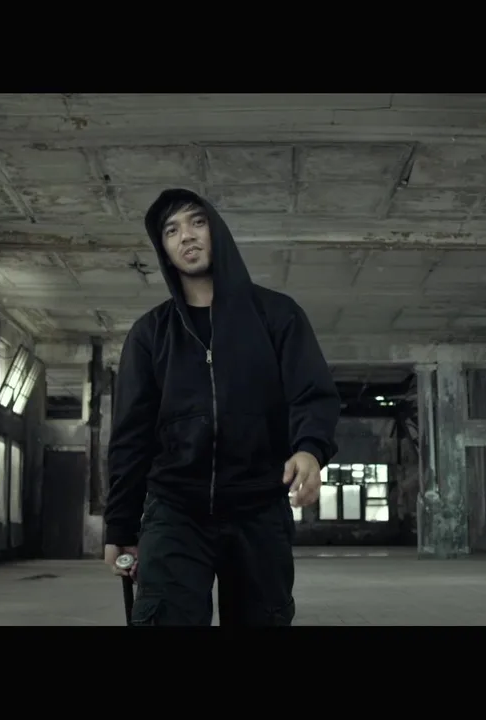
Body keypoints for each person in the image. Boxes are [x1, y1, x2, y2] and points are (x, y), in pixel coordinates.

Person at [103, 188, 340, 626]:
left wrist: (310, 449)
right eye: (171, 230)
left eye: (197, 222)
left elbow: (312, 393)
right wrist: (120, 526)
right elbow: (130, 438)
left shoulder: (278, 316)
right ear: (164, 249)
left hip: (258, 507)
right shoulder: (150, 334)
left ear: (218, 231)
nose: (186, 236)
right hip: (174, 511)